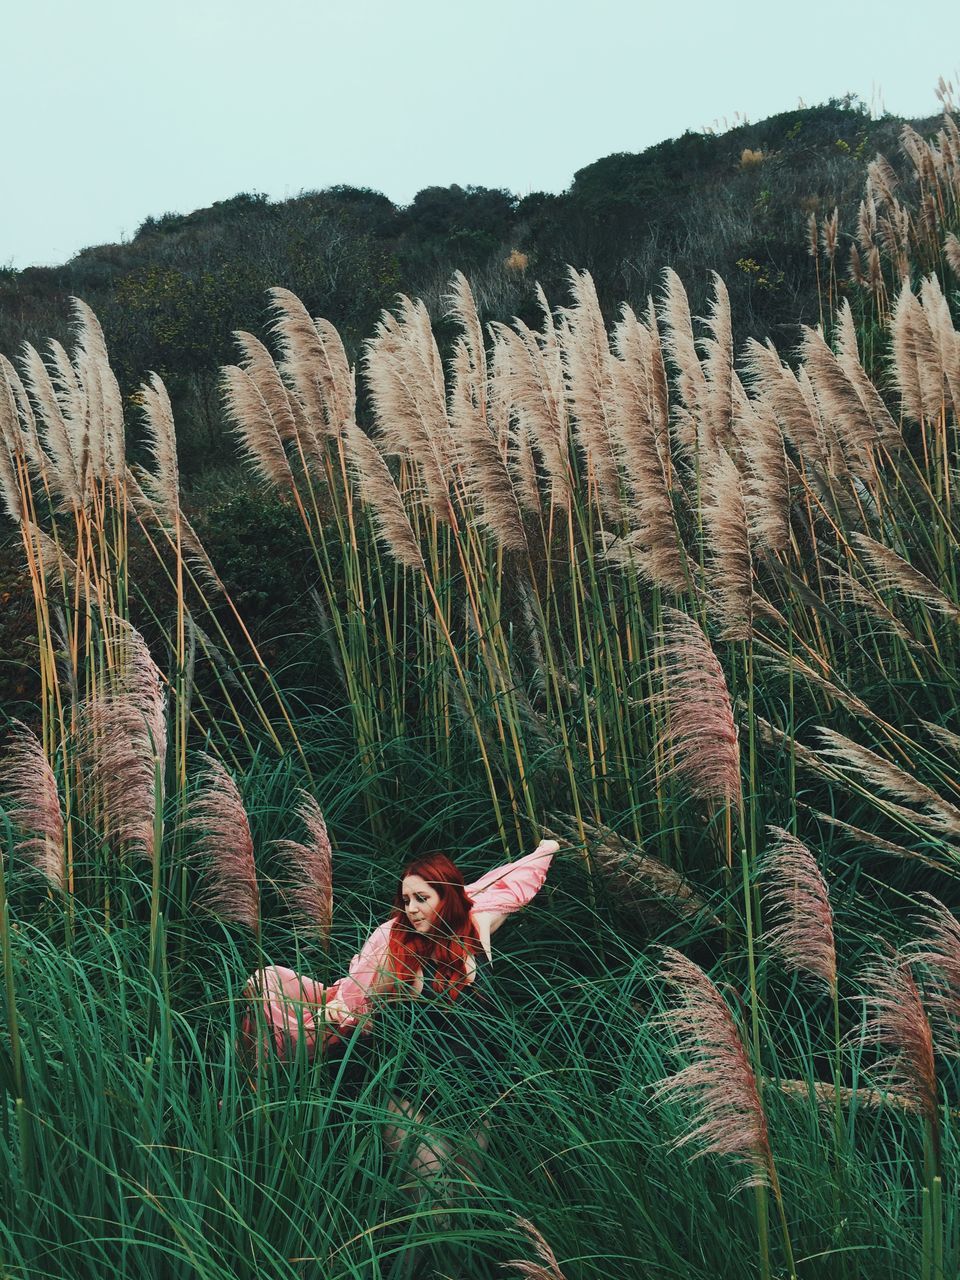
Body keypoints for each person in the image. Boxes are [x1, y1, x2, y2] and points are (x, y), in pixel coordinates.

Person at [241, 838, 558, 1221]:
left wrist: (545, 850)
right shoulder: (398, 953)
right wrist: (332, 1016)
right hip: (414, 1094)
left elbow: (511, 885)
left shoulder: (479, 928)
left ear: (448, 896)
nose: (411, 909)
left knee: (464, 1203)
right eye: (406, 900)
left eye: (422, 898)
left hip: (476, 1092)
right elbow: (356, 1004)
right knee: (432, 1207)